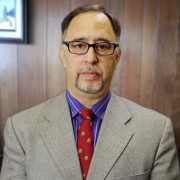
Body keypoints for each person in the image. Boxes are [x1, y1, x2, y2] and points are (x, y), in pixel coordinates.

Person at [0, 4, 179, 180]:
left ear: (116, 58)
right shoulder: (21, 129)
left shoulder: (157, 131)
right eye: (78, 45)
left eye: (102, 46)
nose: (91, 58)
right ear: (63, 55)